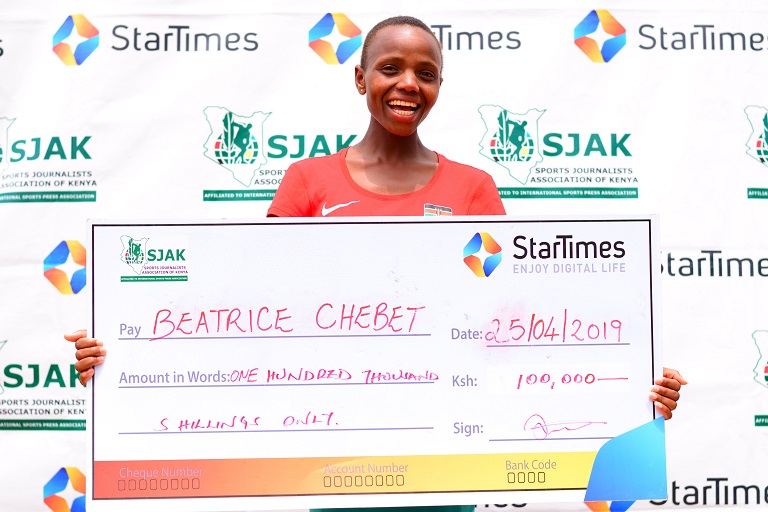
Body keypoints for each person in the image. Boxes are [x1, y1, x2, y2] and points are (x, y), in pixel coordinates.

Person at [67, 15, 686, 512]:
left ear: (440, 87)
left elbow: (516, 326)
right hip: (332, 463)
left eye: (427, 72)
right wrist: (124, 357)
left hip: (446, 467)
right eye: (390, 68)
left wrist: (623, 384)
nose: (409, 84)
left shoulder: (474, 190)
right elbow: (246, 322)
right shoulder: (306, 182)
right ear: (360, 79)